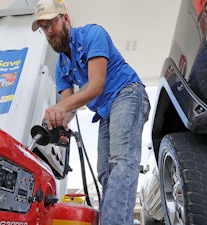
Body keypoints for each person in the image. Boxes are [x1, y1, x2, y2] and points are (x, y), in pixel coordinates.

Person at [31, 0, 151, 224]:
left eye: (51, 23)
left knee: (121, 162)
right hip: (105, 111)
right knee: (104, 171)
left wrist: (60, 108)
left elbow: (96, 86)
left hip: (127, 93)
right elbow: (69, 106)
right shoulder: (61, 66)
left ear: (65, 19)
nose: (48, 31)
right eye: (43, 28)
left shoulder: (92, 34)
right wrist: (60, 123)